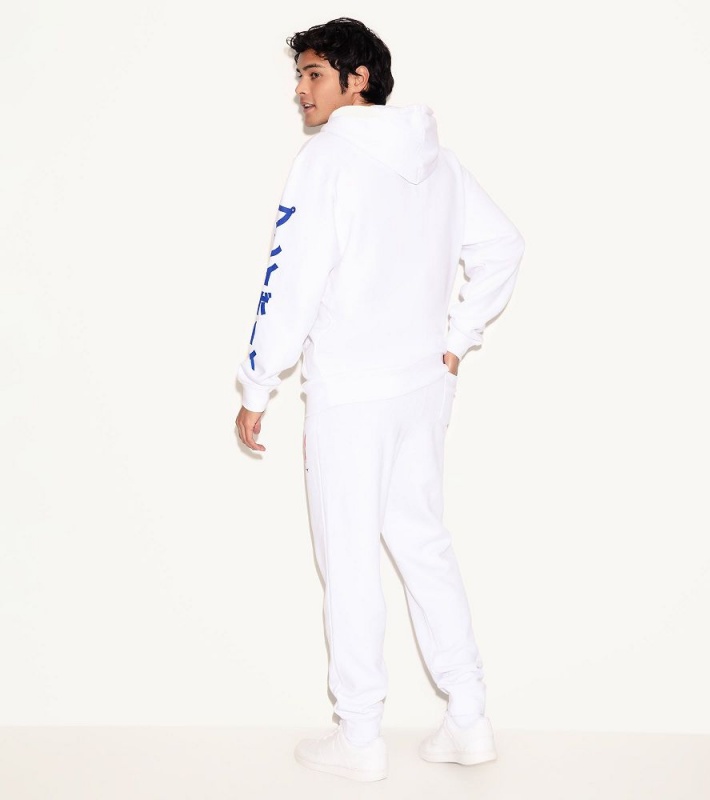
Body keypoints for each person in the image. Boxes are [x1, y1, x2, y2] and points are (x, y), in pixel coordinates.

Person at [234, 17, 524, 783]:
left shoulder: (326, 159)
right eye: (299, 76)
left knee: (350, 556)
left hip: (353, 395)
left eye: (314, 74)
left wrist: (259, 381)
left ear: (357, 78)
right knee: (423, 544)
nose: (300, 91)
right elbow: (503, 245)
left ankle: (359, 736)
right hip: (423, 389)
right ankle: (468, 718)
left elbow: (289, 280)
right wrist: (455, 341)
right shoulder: (438, 160)